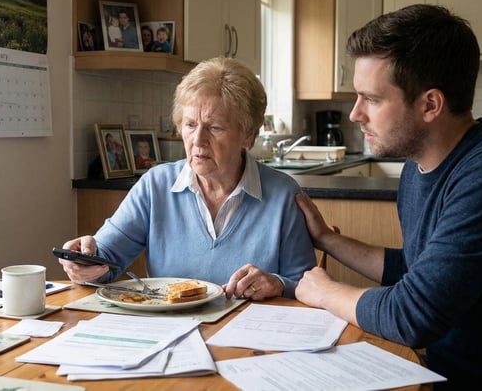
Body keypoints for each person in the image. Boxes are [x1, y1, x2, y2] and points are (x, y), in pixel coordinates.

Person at [294, 4, 482, 390]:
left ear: (430, 105)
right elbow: (422, 271)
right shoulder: (418, 165)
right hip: (445, 373)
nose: (355, 114)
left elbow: (412, 315)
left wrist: (324, 291)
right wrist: (328, 240)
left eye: (370, 98)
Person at [60, 57, 316, 300]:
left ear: (248, 136)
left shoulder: (283, 195)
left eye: (215, 127)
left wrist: (278, 284)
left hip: (250, 340)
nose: (198, 140)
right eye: (190, 125)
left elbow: (307, 287)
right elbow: (105, 260)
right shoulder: (155, 186)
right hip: (168, 335)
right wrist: (84, 260)